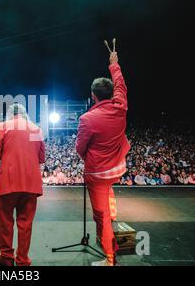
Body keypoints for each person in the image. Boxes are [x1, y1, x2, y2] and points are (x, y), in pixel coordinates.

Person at [76, 47, 130, 266]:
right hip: (118, 167)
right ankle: (103, 231)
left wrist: (87, 159)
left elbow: (80, 148)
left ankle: (109, 259)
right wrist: (114, 64)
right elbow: (121, 85)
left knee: (102, 215)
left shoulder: (87, 119)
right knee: (106, 202)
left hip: (98, 173)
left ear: (93, 95)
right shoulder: (121, 107)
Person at [0, 104, 45, 266]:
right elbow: (41, 157)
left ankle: (6, 258)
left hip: (8, 182)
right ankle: (22, 260)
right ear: (24, 114)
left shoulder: (3, 127)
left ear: (9, 115)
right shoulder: (36, 129)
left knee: (6, 221)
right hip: (31, 183)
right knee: (25, 224)